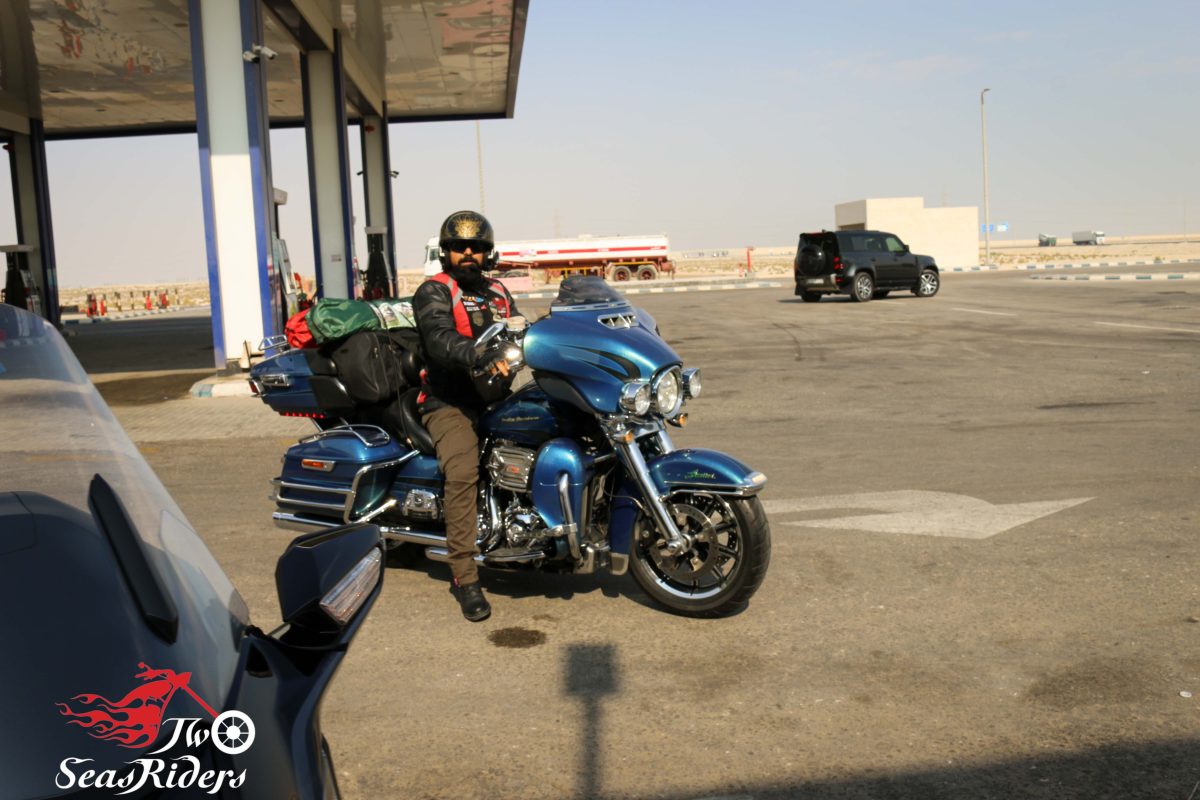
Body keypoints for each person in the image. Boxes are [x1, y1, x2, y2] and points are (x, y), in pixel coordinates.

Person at [412, 210, 520, 622]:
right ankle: (464, 574)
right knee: (462, 473)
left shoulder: (498, 292)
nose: (468, 253)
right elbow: (439, 338)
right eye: (460, 247)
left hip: (495, 397)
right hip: (449, 401)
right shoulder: (435, 291)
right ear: (447, 252)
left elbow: (522, 329)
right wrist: (478, 353)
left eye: (476, 247)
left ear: (488, 253)